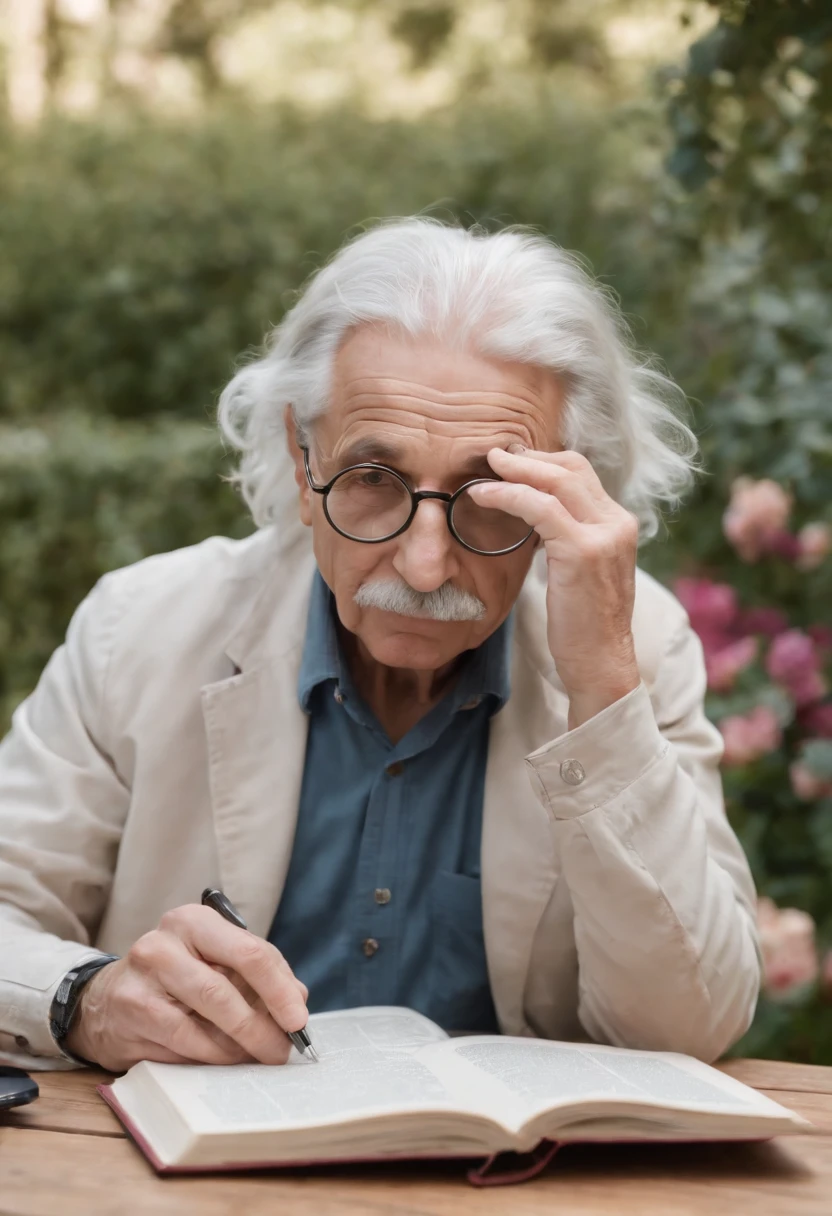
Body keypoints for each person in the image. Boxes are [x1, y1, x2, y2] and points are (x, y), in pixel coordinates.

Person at [0, 219, 760, 1073]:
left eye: (488, 494)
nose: (427, 564)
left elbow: (691, 1026)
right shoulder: (139, 628)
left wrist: (604, 698)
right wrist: (86, 999)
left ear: (569, 492)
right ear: (300, 457)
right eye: (371, 481)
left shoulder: (633, 648)